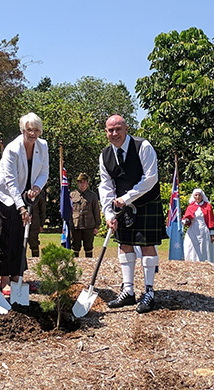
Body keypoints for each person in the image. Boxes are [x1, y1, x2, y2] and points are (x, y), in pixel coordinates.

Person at [98, 114, 165, 314]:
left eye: (118, 129)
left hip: (146, 203)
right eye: (110, 130)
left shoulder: (143, 146)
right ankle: (128, 290)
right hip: (122, 206)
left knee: (147, 245)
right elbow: (106, 185)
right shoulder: (105, 155)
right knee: (124, 244)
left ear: (126, 128)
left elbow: (150, 178)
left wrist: (127, 198)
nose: (114, 133)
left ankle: (149, 292)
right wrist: (108, 213)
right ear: (106, 132)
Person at [0, 112, 49, 292]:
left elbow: (44, 172)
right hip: (2, 192)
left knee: (20, 232)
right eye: (29, 129)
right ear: (23, 130)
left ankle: (16, 276)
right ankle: (4, 280)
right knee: (4, 231)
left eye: (37, 130)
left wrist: (36, 188)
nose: (33, 133)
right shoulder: (12, 149)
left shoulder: (43, 146)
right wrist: (21, 207)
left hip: (23, 191)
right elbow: (10, 181)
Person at [182, 188, 214, 263]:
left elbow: (210, 220)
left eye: (199, 195)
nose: (197, 197)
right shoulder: (190, 207)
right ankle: (191, 261)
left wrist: (212, 233)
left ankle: (205, 261)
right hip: (193, 230)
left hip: (203, 230)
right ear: (193, 196)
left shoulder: (207, 206)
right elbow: (188, 218)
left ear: (202, 196)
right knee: (191, 247)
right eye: (196, 195)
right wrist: (185, 221)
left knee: (204, 247)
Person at [70, 172, 101, 258]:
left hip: (89, 226)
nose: (82, 184)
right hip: (76, 225)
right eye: (80, 182)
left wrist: (97, 226)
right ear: (77, 183)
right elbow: (68, 211)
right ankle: (74, 265)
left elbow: (96, 211)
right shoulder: (72, 195)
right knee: (75, 247)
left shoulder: (92, 196)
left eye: (84, 182)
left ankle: (89, 266)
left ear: (87, 183)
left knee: (88, 248)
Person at [28, 191, 47, 257]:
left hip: (34, 224)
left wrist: (41, 224)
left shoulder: (39, 194)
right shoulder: (21, 190)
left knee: (34, 244)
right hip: (22, 223)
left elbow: (42, 211)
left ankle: (35, 259)